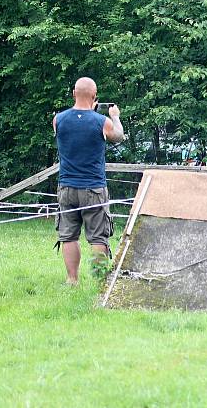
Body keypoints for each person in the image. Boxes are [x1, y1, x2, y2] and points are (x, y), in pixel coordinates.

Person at [53, 77, 124, 285]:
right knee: (98, 237)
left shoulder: (58, 119)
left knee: (68, 235)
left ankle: (72, 279)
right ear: (94, 96)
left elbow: (72, 129)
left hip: (66, 187)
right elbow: (118, 136)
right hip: (93, 188)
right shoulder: (102, 122)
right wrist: (115, 117)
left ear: (74, 93)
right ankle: (99, 281)